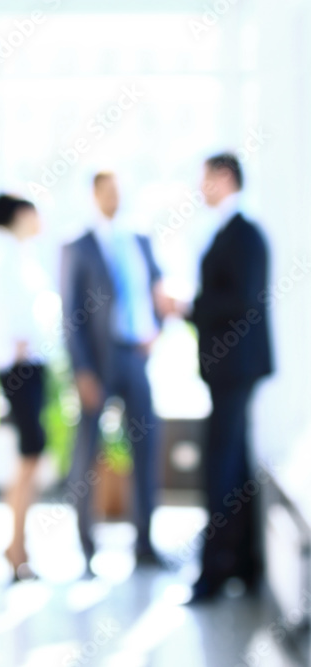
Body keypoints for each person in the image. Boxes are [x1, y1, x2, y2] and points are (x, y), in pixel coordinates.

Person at [60, 171, 168, 571]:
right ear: (93, 195)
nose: (114, 198)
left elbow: (156, 292)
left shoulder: (139, 239)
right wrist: (83, 370)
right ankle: (86, 546)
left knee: (148, 444)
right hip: (98, 362)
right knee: (88, 452)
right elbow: (71, 314)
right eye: (107, 191)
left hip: (135, 355)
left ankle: (145, 542)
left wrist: (156, 330)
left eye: (119, 190)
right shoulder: (78, 245)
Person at [185, 153, 273, 602]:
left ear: (224, 178)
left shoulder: (245, 235)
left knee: (221, 466)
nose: (200, 188)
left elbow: (240, 300)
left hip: (235, 369)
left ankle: (214, 571)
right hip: (229, 370)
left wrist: (188, 308)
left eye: (205, 179)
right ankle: (241, 564)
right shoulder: (229, 233)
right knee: (233, 465)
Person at [0, 194, 53, 580]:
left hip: (29, 365)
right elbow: (1, 315)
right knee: (30, 455)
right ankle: (16, 547)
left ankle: (16, 543)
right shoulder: (5, 258)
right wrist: (18, 344)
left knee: (30, 457)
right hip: (20, 367)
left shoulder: (20, 255)